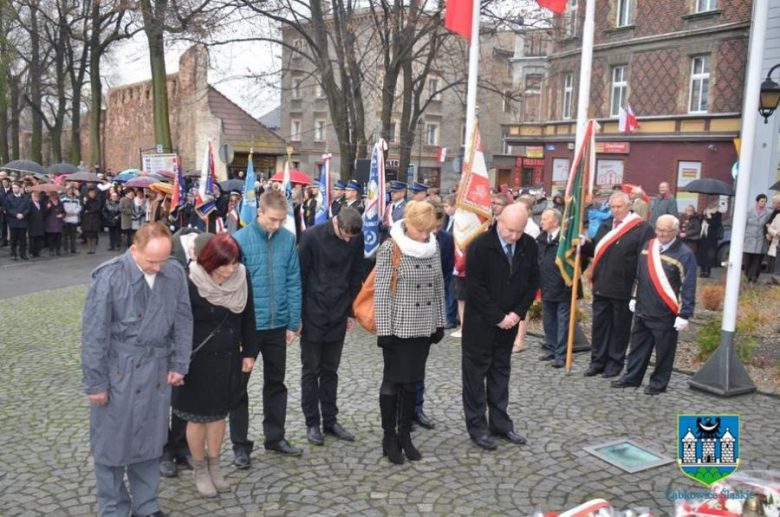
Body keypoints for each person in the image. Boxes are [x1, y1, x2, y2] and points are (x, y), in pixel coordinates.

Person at [81, 222, 193, 517]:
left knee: (150, 441)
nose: (158, 267)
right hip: (118, 371)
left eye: (163, 259)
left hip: (157, 371)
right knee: (111, 445)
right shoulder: (109, 277)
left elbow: (183, 320)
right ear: (134, 250)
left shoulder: (174, 272)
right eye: (151, 261)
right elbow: (94, 334)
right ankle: (114, 507)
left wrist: (179, 363)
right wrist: (96, 383)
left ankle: (147, 505)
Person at [171, 234, 257, 498]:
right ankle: (199, 468)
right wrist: (177, 363)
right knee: (197, 418)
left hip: (228, 358)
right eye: (225, 264)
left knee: (219, 416)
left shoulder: (241, 276)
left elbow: (249, 316)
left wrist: (249, 352)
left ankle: (215, 465)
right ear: (210, 261)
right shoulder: (189, 281)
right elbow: (175, 324)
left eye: (234, 262)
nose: (231, 269)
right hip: (196, 361)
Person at [231, 190, 303, 467]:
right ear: (259, 213)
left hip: (277, 326)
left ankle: (275, 437)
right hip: (248, 328)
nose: (277, 225)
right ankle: (240, 445)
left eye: (282, 220)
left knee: (276, 384)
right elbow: (233, 291)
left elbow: (294, 282)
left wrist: (292, 322)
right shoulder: (239, 241)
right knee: (239, 388)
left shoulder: (288, 239)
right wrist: (237, 334)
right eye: (273, 219)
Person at [462, 203, 539, 451]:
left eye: (519, 231)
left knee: (500, 373)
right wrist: (498, 316)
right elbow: (474, 288)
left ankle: (500, 423)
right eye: (510, 231)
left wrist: (517, 313)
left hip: (509, 324)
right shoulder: (480, 246)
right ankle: (477, 427)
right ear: (499, 221)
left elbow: (532, 282)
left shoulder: (529, 245)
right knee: (475, 377)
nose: (514, 236)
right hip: (480, 325)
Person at [375, 201, 445, 464]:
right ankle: (389, 436)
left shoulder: (432, 246)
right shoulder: (391, 247)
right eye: (421, 230)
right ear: (410, 224)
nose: (425, 235)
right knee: (393, 381)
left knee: (413, 382)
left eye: (429, 231)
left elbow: (439, 283)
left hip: (423, 326)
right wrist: (384, 330)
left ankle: (405, 434)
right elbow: (382, 291)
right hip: (399, 327)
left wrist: (439, 321)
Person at [298, 207, 364, 446]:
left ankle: (330, 420)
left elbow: (356, 274)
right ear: (336, 222)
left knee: (331, 371)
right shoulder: (312, 237)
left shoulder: (355, 239)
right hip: (313, 311)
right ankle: (312, 423)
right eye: (344, 235)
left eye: (351, 238)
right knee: (311, 370)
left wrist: (351, 312)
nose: (347, 240)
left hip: (339, 310)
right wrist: (299, 316)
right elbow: (301, 277)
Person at [612, 215, 696, 395]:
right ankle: (632, 377)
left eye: (666, 231)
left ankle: (658, 383)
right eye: (658, 230)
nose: (661, 234)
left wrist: (684, 314)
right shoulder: (648, 246)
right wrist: (634, 297)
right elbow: (639, 273)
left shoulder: (684, 254)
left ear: (675, 232)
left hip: (665, 312)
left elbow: (688, 286)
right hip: (643, 307)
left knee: (663, 352)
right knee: (637, 347)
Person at [581, 191, 654, 379]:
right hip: (601, 284)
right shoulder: (606, 225)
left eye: (618, 207)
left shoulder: (641, 228)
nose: (615, 210)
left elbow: (645, 261)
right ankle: (597, 361)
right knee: (600, 326)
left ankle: (614, 363)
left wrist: (638, 290)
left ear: (628, 205)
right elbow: (596, 250)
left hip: (623, 287)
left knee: (619, 328)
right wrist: (583, 245)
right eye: (612, 207)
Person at [537, 208, 583, 368]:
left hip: (564, 287)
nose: (541, 221)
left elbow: (579, 263)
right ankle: (552, 348)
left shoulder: (566, 240)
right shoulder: (542, 238)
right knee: (549, 320)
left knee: (563, 322)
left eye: (545, 219)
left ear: (556, 222)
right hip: (547, 286)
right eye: (542, 218)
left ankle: (561, 355)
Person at [744, 194, 771, 283]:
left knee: (758, 259)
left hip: (760, 238)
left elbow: (768, 225)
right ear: (757, 201)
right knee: (748, 258)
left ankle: (754, 276)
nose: (763, 203)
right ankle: (746, 275)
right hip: (750, 237)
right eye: (762, 201)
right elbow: (744, 224)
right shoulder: (749, 211)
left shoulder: (768, 213)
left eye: (765, 201)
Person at [697, 197, 722, 278]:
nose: (710, 204)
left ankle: (708, 270)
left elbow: (716, 224)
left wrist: (709, 220)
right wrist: (702, 218)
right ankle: (702, 270)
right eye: (710, 202)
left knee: (710, 254)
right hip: (703, 235)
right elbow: (700, 222)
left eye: (712, 203)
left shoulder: (717, 213)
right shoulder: (704, 211)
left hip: (711, 237)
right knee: (702, 253)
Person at [6, 182, 30, 261]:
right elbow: (8, 209)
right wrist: (16, 214)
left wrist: (23, 214)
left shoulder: (25, 197)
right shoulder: (9, 197)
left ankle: (22, 253)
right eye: (13, 188)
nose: (14, 189)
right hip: (14, 220)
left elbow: (28, 208)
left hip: (23, 220)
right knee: (13, 239)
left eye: (16, 188)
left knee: (23, 239)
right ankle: (13, 253)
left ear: (20, 188)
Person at [43, 191, 66, 256]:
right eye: (52, 195)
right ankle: (51, 250)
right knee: (51, 238)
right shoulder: (47, 203)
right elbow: (44, 214)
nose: (53, 197)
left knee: (58, 237)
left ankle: (58, 250)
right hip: (50, 222)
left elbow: (64, 212)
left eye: (54, 195)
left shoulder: (60, 203)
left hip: (58, 222)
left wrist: (62, 215)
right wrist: (48, 208)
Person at [82, 188, 103, 255]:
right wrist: (85, 203)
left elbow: (97, 209)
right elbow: (84, 209)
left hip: (95, 219)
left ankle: (93, 248)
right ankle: (89, 248)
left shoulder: (98, 200)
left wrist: (88, 211)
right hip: (87, 219)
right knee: (88, 234)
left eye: (93, 193)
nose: (92, 194)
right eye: (90, 193)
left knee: (94, 234)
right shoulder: (87, 200)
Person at [62, 185, 82, 254]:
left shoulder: (76, 199)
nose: (70, 191)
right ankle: (65, 249)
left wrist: (74, 212)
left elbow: (79, 207)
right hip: (66, 219)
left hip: (73, 219)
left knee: (73, 235)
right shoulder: (63, 199)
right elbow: (62, 208)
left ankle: (73, 248)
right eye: (69, 190)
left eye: (71, 190)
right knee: (66, 236)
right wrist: (67, 212)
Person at [27, 191, 46, 258]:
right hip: (32, 224)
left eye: (37, 197)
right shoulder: (29, 204)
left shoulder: (41, 204)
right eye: (34, 197)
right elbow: (27, 213)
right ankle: (31, 252)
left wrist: (48, 208)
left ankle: (37, 252)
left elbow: (44, 213)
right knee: (32, 239)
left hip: (40, 223)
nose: (36, 198)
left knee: (39, 238)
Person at [766, 195, 780, 282]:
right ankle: (774, 279)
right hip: (777, 243)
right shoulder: (778, 216)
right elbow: (770, 227)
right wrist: (776, 233)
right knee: (775, 263)